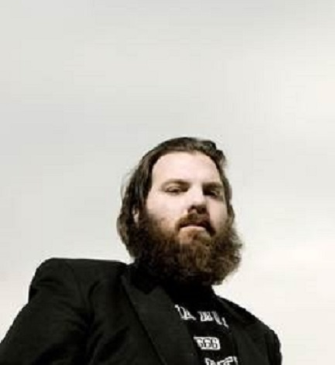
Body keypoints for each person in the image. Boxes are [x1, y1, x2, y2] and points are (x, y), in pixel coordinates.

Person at [0, 137, 282, 365]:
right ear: (137, 212)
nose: (198, 201)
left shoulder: (259, 337)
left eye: (212, 192)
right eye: (176, 189)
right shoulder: (83, 290)